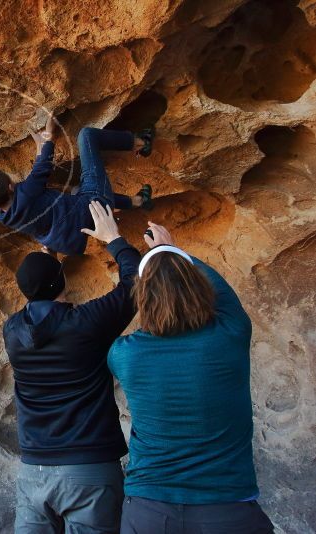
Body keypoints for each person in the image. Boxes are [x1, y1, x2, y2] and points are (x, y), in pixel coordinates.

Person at [108, 223, 275, 534]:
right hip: (227, 509)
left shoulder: (124, 354)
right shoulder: (231, 333)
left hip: (148, 511)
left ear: (142, 299)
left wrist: (156, 254)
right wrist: (170, 250)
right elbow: (224, 294)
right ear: (198, 287)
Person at [4, 200, 140, 533]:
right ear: (63, 283)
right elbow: (136, 282)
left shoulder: (13, 331)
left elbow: (41, 289)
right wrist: (114, 238)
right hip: (89, 469)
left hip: (34, 471)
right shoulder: (87, 323)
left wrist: (47, 255)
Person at [0, 118, 154, 256]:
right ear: (10, 187)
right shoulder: (27, 193)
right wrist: (49, 137)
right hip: (93, 203)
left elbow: (38, 174)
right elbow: (42, 167)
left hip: (80, 229)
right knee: (86, 136)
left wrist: (40, 147)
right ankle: (141, 143)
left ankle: (137, 201)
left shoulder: (5, 217)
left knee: (76, 190)